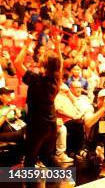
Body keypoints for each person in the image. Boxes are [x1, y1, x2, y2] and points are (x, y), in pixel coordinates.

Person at [14, 38, 63, 168]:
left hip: (37, 125)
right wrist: (57, 47)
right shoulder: (56, 80)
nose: (41, 57)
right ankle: (66, 179)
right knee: (47, 156)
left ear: (45, 64)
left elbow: (17, 63)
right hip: (51, 123)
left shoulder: (36, 79)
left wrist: (26, 44)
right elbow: (60, 64)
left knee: (30, 159)